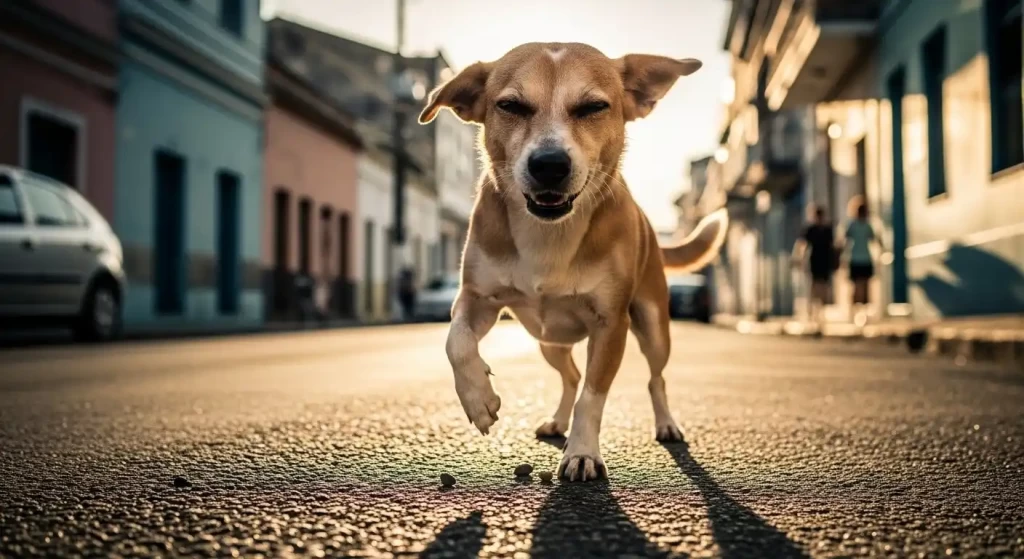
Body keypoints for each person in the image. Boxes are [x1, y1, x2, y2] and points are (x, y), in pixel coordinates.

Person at [792, 206, 836, 331]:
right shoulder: (810, 230)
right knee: (814, 287)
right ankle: (813, 313)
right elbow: (801, 244)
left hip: (825, 261)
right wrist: (798, 258)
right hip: (814, 261)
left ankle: (821, 313)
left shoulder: (828, 230)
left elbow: (833, 246)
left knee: (823, 288)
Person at [843, 199, 883, 326]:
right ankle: (855, 312)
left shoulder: (866, 225)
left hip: (864, 258)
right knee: (857, 287)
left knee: (864, 287)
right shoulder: (853, 225)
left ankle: (863, 313)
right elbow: (845, 241)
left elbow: (874, 239)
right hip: (856, 258)